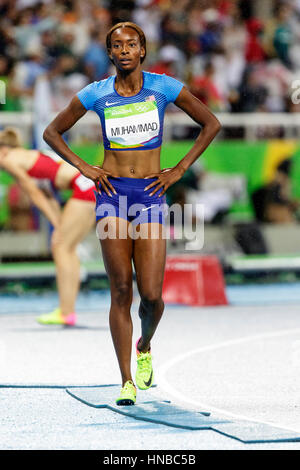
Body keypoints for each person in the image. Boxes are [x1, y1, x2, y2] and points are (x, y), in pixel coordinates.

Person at [42, 22, 221, 406]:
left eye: (132, 44)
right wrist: (84, 167)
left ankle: (145, 345)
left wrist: (179, 169)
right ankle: (126, 381)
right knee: (121, 289)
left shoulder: (163, 87)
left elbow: (211, 123)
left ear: (142, 50)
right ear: (110, 54)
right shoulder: (97, 93)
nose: (125, 50)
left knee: (152, 296)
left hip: (152, 196)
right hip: (112, 196)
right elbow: (52, 133)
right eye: (117, 45)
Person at [0, 127, 96, 326]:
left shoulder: (7, 159)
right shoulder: (33, 155)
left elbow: (33, 193)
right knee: (67, 248)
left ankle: (66, 311)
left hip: (84, 186)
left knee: (61, 246)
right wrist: (58, 224)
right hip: (90, 185)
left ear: (3, 150)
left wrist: (57, 227)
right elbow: (48, 195)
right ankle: (68, 311)